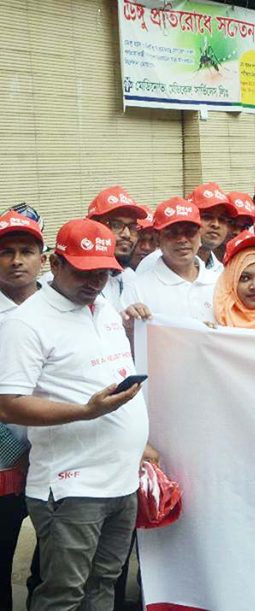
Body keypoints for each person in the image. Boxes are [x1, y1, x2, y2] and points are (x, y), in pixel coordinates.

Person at [0, 219, 149, 611]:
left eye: (103, 272)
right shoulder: (26, 323)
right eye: (84, 271)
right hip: (71, 486)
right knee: (63, 593)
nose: (95, 281)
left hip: (120, 480)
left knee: (104, 583)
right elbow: (8, 404)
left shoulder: (103, 307)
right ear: (56, 262)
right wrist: (86, 412)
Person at [0, 211, 45, 609]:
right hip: (4, 461)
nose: (16, 260)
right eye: (6, 252)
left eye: (26, 251)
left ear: (42, 259)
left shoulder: (62, 304)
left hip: (56, 455)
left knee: (52, 567)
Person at [122, 197, 219, 323]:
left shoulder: (220, 283)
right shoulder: (137, 289)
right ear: (157, 238)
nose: (182, 240)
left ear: (199, 236)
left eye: (189, 232)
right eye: (173, 233)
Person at [85, 186, 149, 310]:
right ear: (93, 225)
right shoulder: (70, 281)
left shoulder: (131, 278)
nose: (127, 235)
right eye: (116, 225)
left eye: (132, 227)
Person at [189, 182, 236, 272]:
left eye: (222, 219)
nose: (216, 224)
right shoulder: (163, 263)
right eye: (207, 217)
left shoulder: (221, 271)